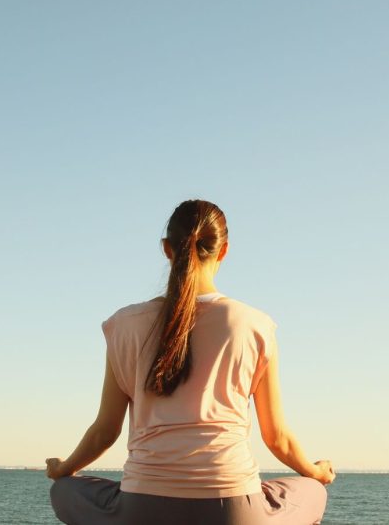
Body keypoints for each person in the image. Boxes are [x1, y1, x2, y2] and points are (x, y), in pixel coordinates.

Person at [46, 199, 333, 525]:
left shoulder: (125, 324)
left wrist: (63, 469)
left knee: (63, 491)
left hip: (142, 509)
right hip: (234, 511)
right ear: (223, 250)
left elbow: (104, 431)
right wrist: (316, 472)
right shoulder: (254, 325)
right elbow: (277, 438)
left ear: (167, 249)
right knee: (312, 491)